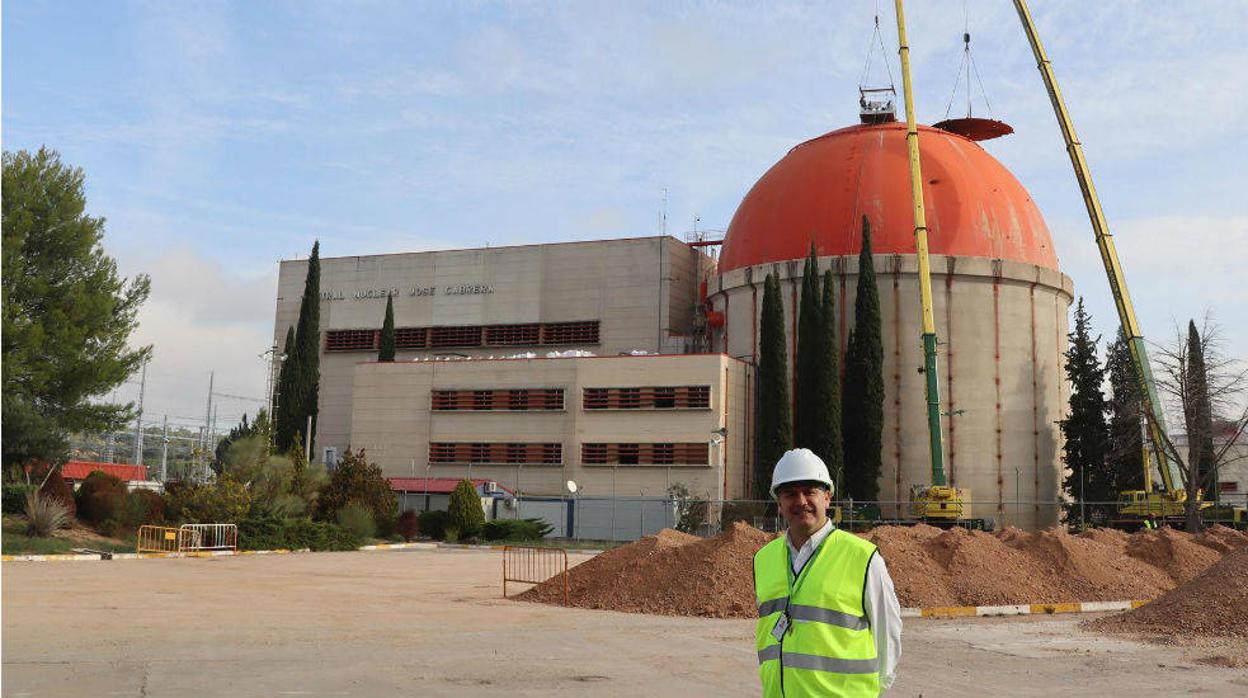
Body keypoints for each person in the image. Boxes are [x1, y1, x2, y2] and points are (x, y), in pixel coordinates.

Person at [753, 448, 901, 696]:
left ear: (827, 498)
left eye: (810, 491)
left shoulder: (862, 557)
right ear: (779, 503)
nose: (801, 501)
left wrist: (878, 688)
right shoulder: (763, 560)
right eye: (790, 494)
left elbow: (888, 634)